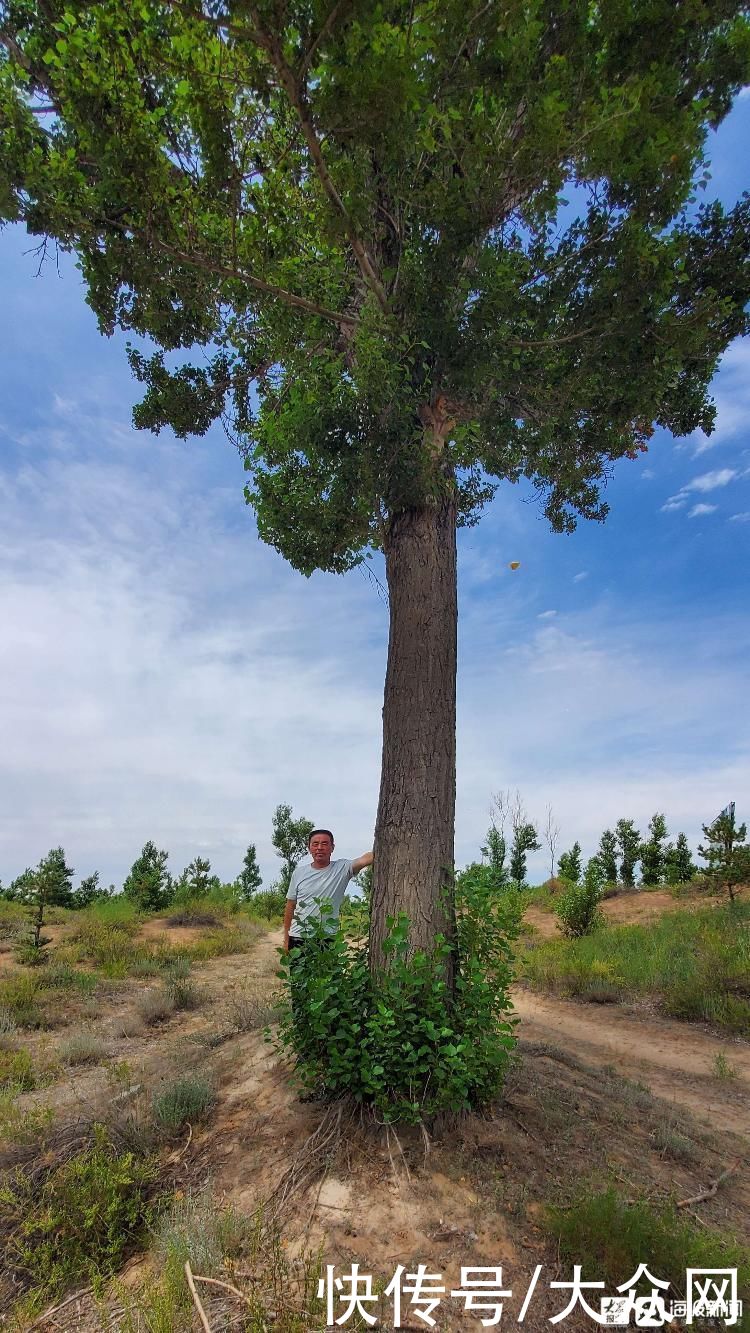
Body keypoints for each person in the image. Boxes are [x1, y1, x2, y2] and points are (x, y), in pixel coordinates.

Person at [283, 829, 373, 952]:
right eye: (315, 844)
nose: (319, 847)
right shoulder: (299, 873)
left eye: (325, 844)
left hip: (327, 938)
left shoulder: (342, 868)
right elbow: (290, 905)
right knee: (299, 972)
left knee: (328, 971)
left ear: (332, 847)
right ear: (309, 848)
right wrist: (286, 939)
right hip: (299, 937)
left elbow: (365, 859)